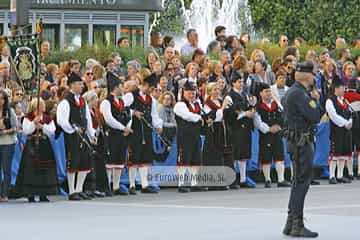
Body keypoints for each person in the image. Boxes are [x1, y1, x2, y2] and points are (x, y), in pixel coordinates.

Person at [282, 61, 320, 238]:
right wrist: (315, 99)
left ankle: (290, 223)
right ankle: (297, 224)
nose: (314, 77)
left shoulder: (293, 91)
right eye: (313, 74)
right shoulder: (300, 94)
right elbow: (314, 116)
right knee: (302, 183)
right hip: (301, 142)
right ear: (307, 76)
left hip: (296, 141)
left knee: (298, 181)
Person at [56, 72, 97, 201]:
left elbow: (87, 118)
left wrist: (91, 134)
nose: (82, 86)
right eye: (79, 84)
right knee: (73, 162)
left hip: (83, 135)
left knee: (85, 162)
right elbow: (61, 120)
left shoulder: (83, 101)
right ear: (72, 85)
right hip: (72, 136)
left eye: (82, 84)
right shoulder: (65, 102)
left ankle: (79, 189)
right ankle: (72, 191)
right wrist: (72, 129)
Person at [14, 98, 58, 202]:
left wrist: (42, 126)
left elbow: (52, 130)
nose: (41, 108)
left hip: (44, 144)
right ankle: (31, 193)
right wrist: (33, 123)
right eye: (39, 106)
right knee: (31, 169)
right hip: (32, 144)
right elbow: (26, 130)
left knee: (44, 169)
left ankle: (43, 193)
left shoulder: (47, 118)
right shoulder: (28, 118)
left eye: (42, 106)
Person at [126, 74, 163, 194]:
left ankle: (144, 184)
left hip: (146, 130)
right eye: (151, 88)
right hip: (135, 130)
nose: (151, 91)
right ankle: (131, 184)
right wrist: (133, 112)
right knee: (134, 157)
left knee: (146, 157)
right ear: (145, 85)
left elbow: (154, 114)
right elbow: (122, 107)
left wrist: (158, 125)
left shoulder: (150, 99)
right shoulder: (131, 95)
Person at [100, 72, 133, 195]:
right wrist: (122, 128)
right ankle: (107, 185)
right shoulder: (106, 102)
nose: (122, 88)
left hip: (122, 134)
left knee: (119, 160)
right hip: (111, 134)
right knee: (110, 160)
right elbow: (109, 119)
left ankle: (116, 186)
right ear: (115, 87)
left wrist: (127, 127)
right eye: (121, 86)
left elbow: (128, 115)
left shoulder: (122, 102)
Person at [253, 83, 291, 188]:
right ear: (260, 93)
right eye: (266, 91)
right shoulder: (258, 107)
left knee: (279, 155)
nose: (269, 93)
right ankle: (267, 179)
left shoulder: (276, 104)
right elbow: (258, 122)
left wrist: (279, 126)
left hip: (277, 134)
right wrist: (269, 129)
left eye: (269, 91)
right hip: (265, 135)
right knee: (266, 157)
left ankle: (281, 179)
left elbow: (283, 115)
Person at [223, 71, 256, 188]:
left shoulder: (244, 94)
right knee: (235, 155)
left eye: (242, 81)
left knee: (243, 155)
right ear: (233, 83)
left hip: (245, 128)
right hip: (235, 128)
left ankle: (242, 179)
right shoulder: (229, 96)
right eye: (239, 82)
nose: (241, 84)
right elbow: (227, 113)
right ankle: (232, 180)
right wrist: (244, 114)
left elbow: (248, 109)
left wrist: (252, 109)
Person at [174, 80, 208, 193]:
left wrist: (206, 119)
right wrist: (199, 118)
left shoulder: (198, 104)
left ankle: (194, 183)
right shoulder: (180, 104)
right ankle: (181, 183)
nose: (191, 94)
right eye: (189, 91)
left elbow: (203, 115)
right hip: (184, 136)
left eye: (193, 92)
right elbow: (187, 116)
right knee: (184, 159)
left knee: (196, 160)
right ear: (184, 92)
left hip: (195, 135)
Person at [202, 83, 232, 190]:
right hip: (212, 131)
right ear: (209, 91)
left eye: (217, 89)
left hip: (221, 130)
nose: (216, 91)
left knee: (220, 156)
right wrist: (223, 108)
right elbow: (212, 117)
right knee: (212, 156)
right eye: (214, 89)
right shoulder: (207, 104)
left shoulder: (219, 101)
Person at [326, 77, 352, 184]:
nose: (344, 90)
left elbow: (351, 112)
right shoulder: (330, 100)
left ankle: (340, 175)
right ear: (336, 89)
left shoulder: (345, 101)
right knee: (335, 154)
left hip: (346, 131)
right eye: (342, 88)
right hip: (336, 130)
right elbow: (333, 116)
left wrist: (350, 122)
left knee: (343, 154)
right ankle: (332, 176)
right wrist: (345, 123)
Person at [0, 89, 17, 202]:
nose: (0, 101)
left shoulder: (10, 111)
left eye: (2, 98)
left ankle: (5, 194)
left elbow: (15, 127)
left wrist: (5, 131)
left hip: (8, 142)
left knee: (6, 169)